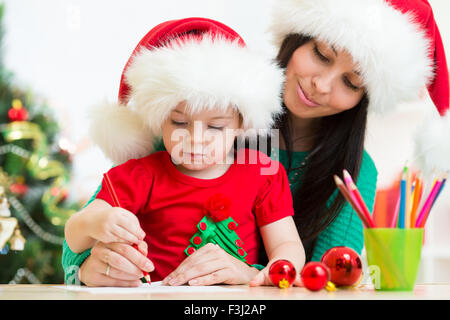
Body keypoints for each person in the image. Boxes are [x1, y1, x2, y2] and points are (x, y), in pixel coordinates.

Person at [63, 0, 450, 287]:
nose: (322, 84)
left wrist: (250, 274)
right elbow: (80, 240)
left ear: (364, 99)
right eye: (320, 54)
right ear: (295, 39)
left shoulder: (353, 172)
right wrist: (86, 270)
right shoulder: (196, 111)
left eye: (351, 82)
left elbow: (324, 284)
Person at [63, 17, 305, 286]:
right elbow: (74, 233)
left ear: (241, 126)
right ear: (159, 120)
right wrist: (98, 221)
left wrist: (276, 270)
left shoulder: (262, 173)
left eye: (215, 126)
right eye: (179, 122)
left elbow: (286, 244)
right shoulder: (141, 174)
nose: (195, 139)